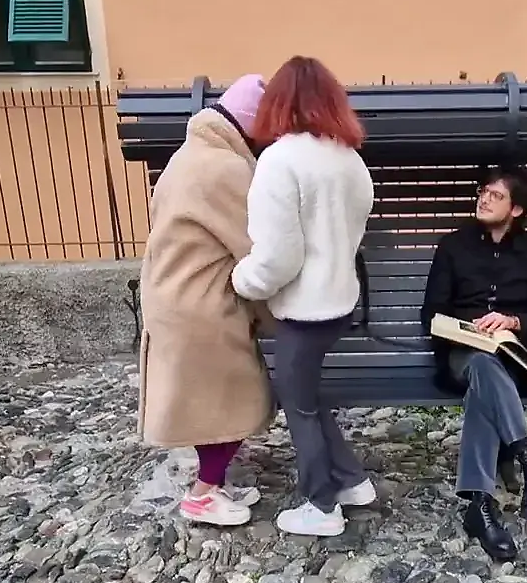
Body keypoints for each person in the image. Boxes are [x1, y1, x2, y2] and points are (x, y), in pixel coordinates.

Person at [231, 56, 377, 538]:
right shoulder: (349, 158)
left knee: (299, 406)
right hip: (339, 302)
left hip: (302, 310)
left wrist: (242, 281)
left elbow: (277, 256)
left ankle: (321, 506)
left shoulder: (279, 160)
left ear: (278, 101)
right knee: (308, 398)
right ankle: (352, 482)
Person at [137, 74, 275, 527]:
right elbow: (256, 248)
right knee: (233, 394)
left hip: (175, 295)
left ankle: (214, 483)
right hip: (203, 302)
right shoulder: (227, 169)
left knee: (207, 399)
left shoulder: (186, 157)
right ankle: (202, 494)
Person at [421, 166, 527, 561]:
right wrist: (469, 330)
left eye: (495, 195)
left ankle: (480, 507)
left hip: (517, 360)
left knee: (485, 387)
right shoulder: (453, 246)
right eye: (483, 192)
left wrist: (514, 322)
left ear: (516, 209)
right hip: (463, 355)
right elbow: (430, 313)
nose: (484, 199)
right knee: (483, 368)